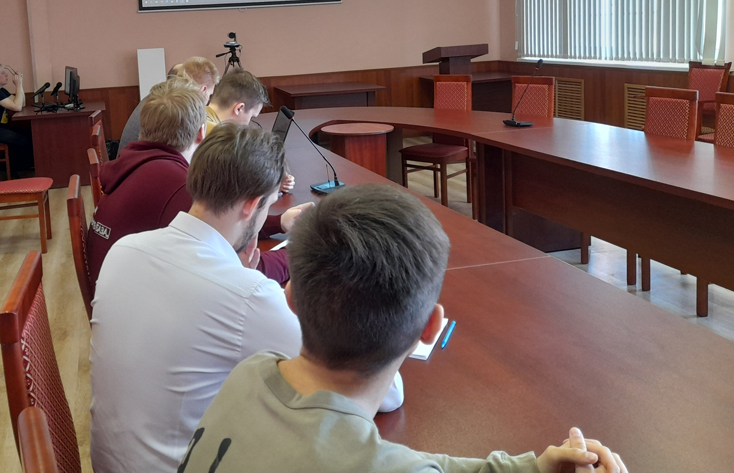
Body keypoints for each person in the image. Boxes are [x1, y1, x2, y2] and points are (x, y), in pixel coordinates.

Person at [178, 185, 629, 473]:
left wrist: (529, 468)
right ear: (430, 328)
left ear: (290, 297)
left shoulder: (251, 375)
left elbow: (403, 463)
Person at [89, 125, 401, 473]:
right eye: (269, 203)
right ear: (252, 205)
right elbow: (383, 393)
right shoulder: (246, 295)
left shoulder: (125, 250)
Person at [85, 78, 294, 293]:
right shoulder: (176, 185)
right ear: (202, 133)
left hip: (114, 288)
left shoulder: (137, 164)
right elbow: (235, 266)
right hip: (139, 295)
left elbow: (222, 221)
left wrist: (279, 222)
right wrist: (298, 256)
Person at [205, 69, 295, 193]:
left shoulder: (198, 116)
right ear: (239, 109)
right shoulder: (218, 136)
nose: (249, 124)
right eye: (252, 117)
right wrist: (272, 184)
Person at [118, 56, 220, 149]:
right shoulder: (178, 108)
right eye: (209, 94)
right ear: (203, 89)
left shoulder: (157, 97)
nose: (207, 102)